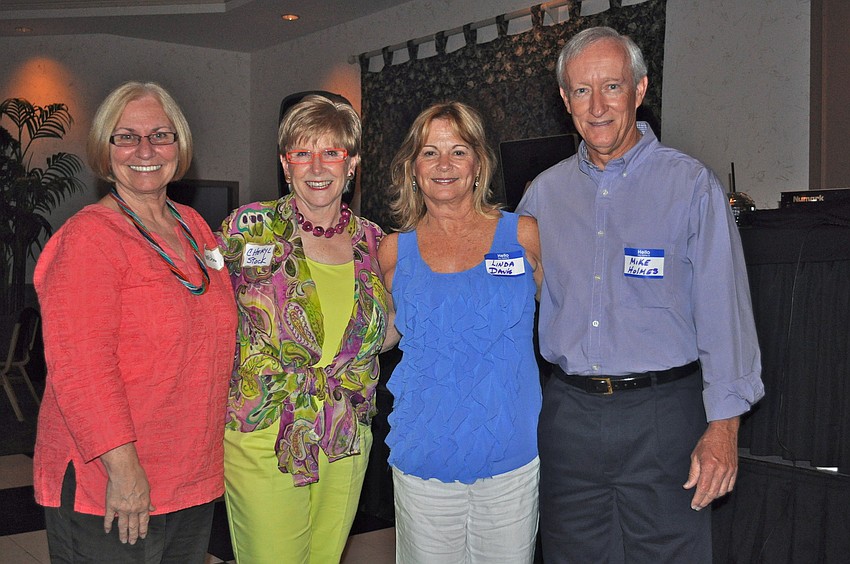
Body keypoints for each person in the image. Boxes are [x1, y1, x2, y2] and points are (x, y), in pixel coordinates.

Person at [516, 27, 765, 562]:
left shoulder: (691, 186)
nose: (598, 105)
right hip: (569, 419)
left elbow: (726, 313)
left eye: (612, 86)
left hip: (665, 418)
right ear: (565, 100)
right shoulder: (541, 196)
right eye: (582, 90)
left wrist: (724, 428)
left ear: (640, 89)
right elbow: (508, 299)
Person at [33, 81, 237, 562]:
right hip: (113, 479)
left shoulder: (194, 225)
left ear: (180, 146)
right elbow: (81, 370)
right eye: (126, 137)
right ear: (105, 150)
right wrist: (124, 472)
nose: (144, 150)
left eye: (160, 135)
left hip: (189, 472)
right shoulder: (89, 238)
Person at [218, 94, 392, 563]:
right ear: (285, 162)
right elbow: (202, 316)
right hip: (264, 428)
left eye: (332, 152)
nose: (317, 166)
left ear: (352, 162)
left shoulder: (375, 242)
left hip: (345, 430)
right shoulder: (246, 229)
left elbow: (393, 327)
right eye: (302, 152)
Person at [378, 101, 544, 563]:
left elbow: (567, 321)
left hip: (509, 452)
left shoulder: (524, 234)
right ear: (413, 169)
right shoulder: (393, 252)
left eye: (458, 150)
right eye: (430, 153)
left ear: (478, 164)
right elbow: (382, 336)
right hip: (422, 453)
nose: (444, 165)